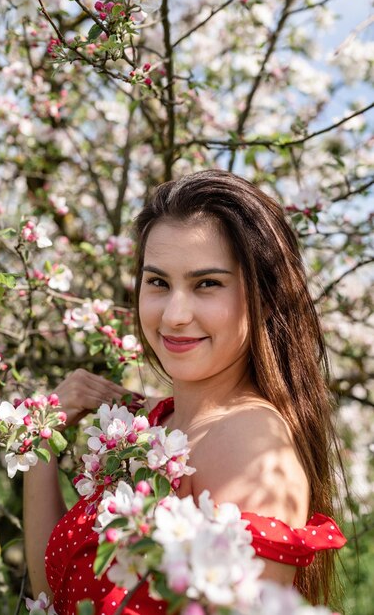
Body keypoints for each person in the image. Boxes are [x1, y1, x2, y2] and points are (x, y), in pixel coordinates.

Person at [24, 170, 346, 615]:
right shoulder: (155, 424)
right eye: (158, 282)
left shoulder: (249, 442)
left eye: (207, 284)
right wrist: (43, 432)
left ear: (267, 297)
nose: (174, 315)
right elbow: (54, 588)